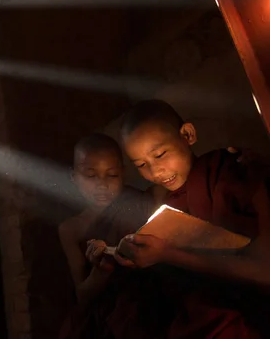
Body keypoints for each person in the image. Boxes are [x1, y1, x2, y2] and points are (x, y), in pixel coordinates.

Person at [109, 99, 270, 338]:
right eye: (142, 164)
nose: (155, 172)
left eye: (160, 154)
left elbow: (264, 272)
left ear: (188, 134)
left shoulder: (234, 172)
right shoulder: (166, 204)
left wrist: (167, 255)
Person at [57, 133, 154, 338]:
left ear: (123, 174)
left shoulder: (139, 203)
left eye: (111, 175)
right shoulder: (71, 229)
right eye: (91, 176)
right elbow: (82, 295)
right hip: (106, 315)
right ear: (74, 177)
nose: (102, 184)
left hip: (147, 301)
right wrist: (101, 271)